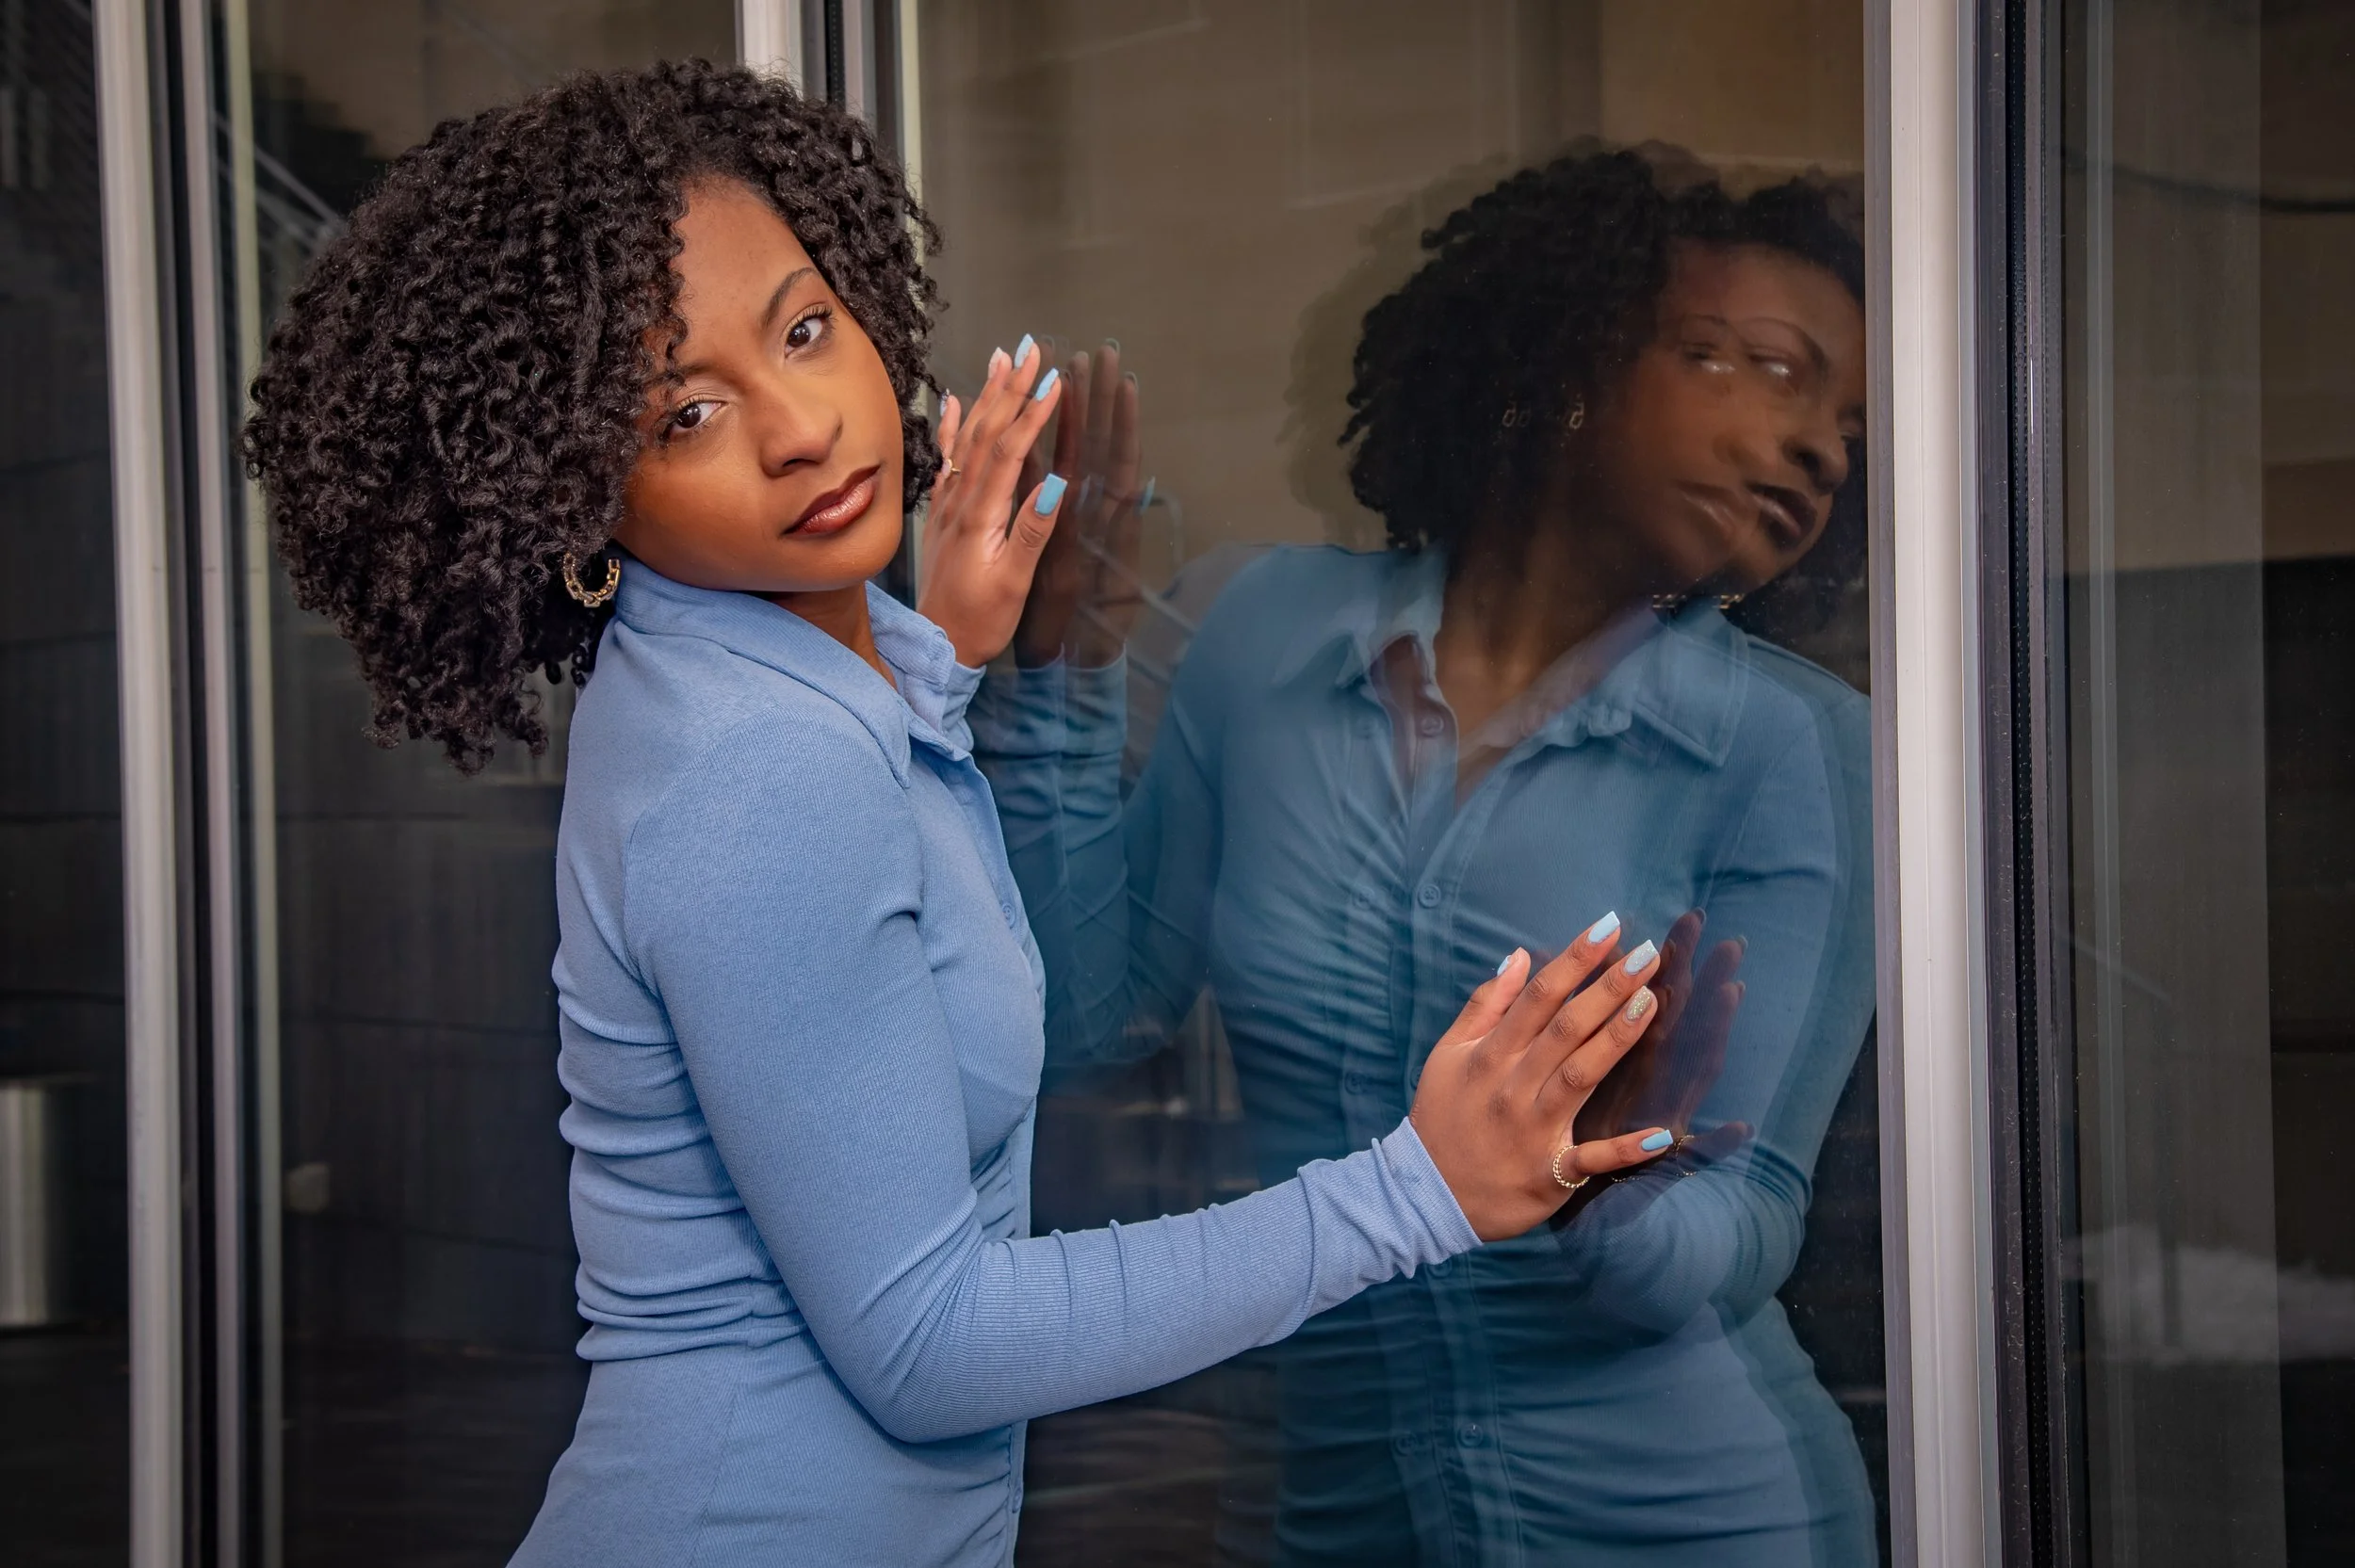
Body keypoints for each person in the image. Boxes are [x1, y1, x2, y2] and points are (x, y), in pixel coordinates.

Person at [239, 63, 1688, 1568]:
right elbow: (930, 1348)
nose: (799, 427)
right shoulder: (758, 771)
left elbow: (860, 916)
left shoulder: (730, 689)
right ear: (573, 493)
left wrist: (931, 660)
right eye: (683, 411)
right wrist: (1414, 1194)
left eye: (804, 329)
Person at [975, 146, 1877, 1563]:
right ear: (1566, 363)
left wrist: (1611, 1191)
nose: (1821, 439)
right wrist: (1054, 682)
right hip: (1336, 1523)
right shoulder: (1261, 635)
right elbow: (1092, 1015)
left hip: (1683, 1531)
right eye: (1759, 365)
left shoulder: (1789, 752)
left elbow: (1749, 1225)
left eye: (1844, 415)